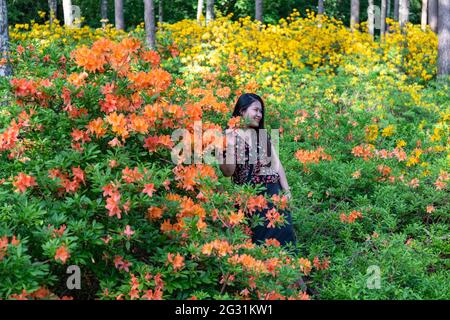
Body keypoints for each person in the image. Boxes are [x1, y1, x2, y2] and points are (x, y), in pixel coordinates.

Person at [218, 93, 298, 253]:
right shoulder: (226, 136)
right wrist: (231, 145)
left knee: (285, 237)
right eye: (256, 110)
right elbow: (228, 172)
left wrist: (287, 192)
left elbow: (277, 164)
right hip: (250, 198)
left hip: (274, 194)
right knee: (260, 244)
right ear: (242, 111)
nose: (259, 115)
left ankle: (292, 277)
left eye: (261, 111)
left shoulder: (262, 135)